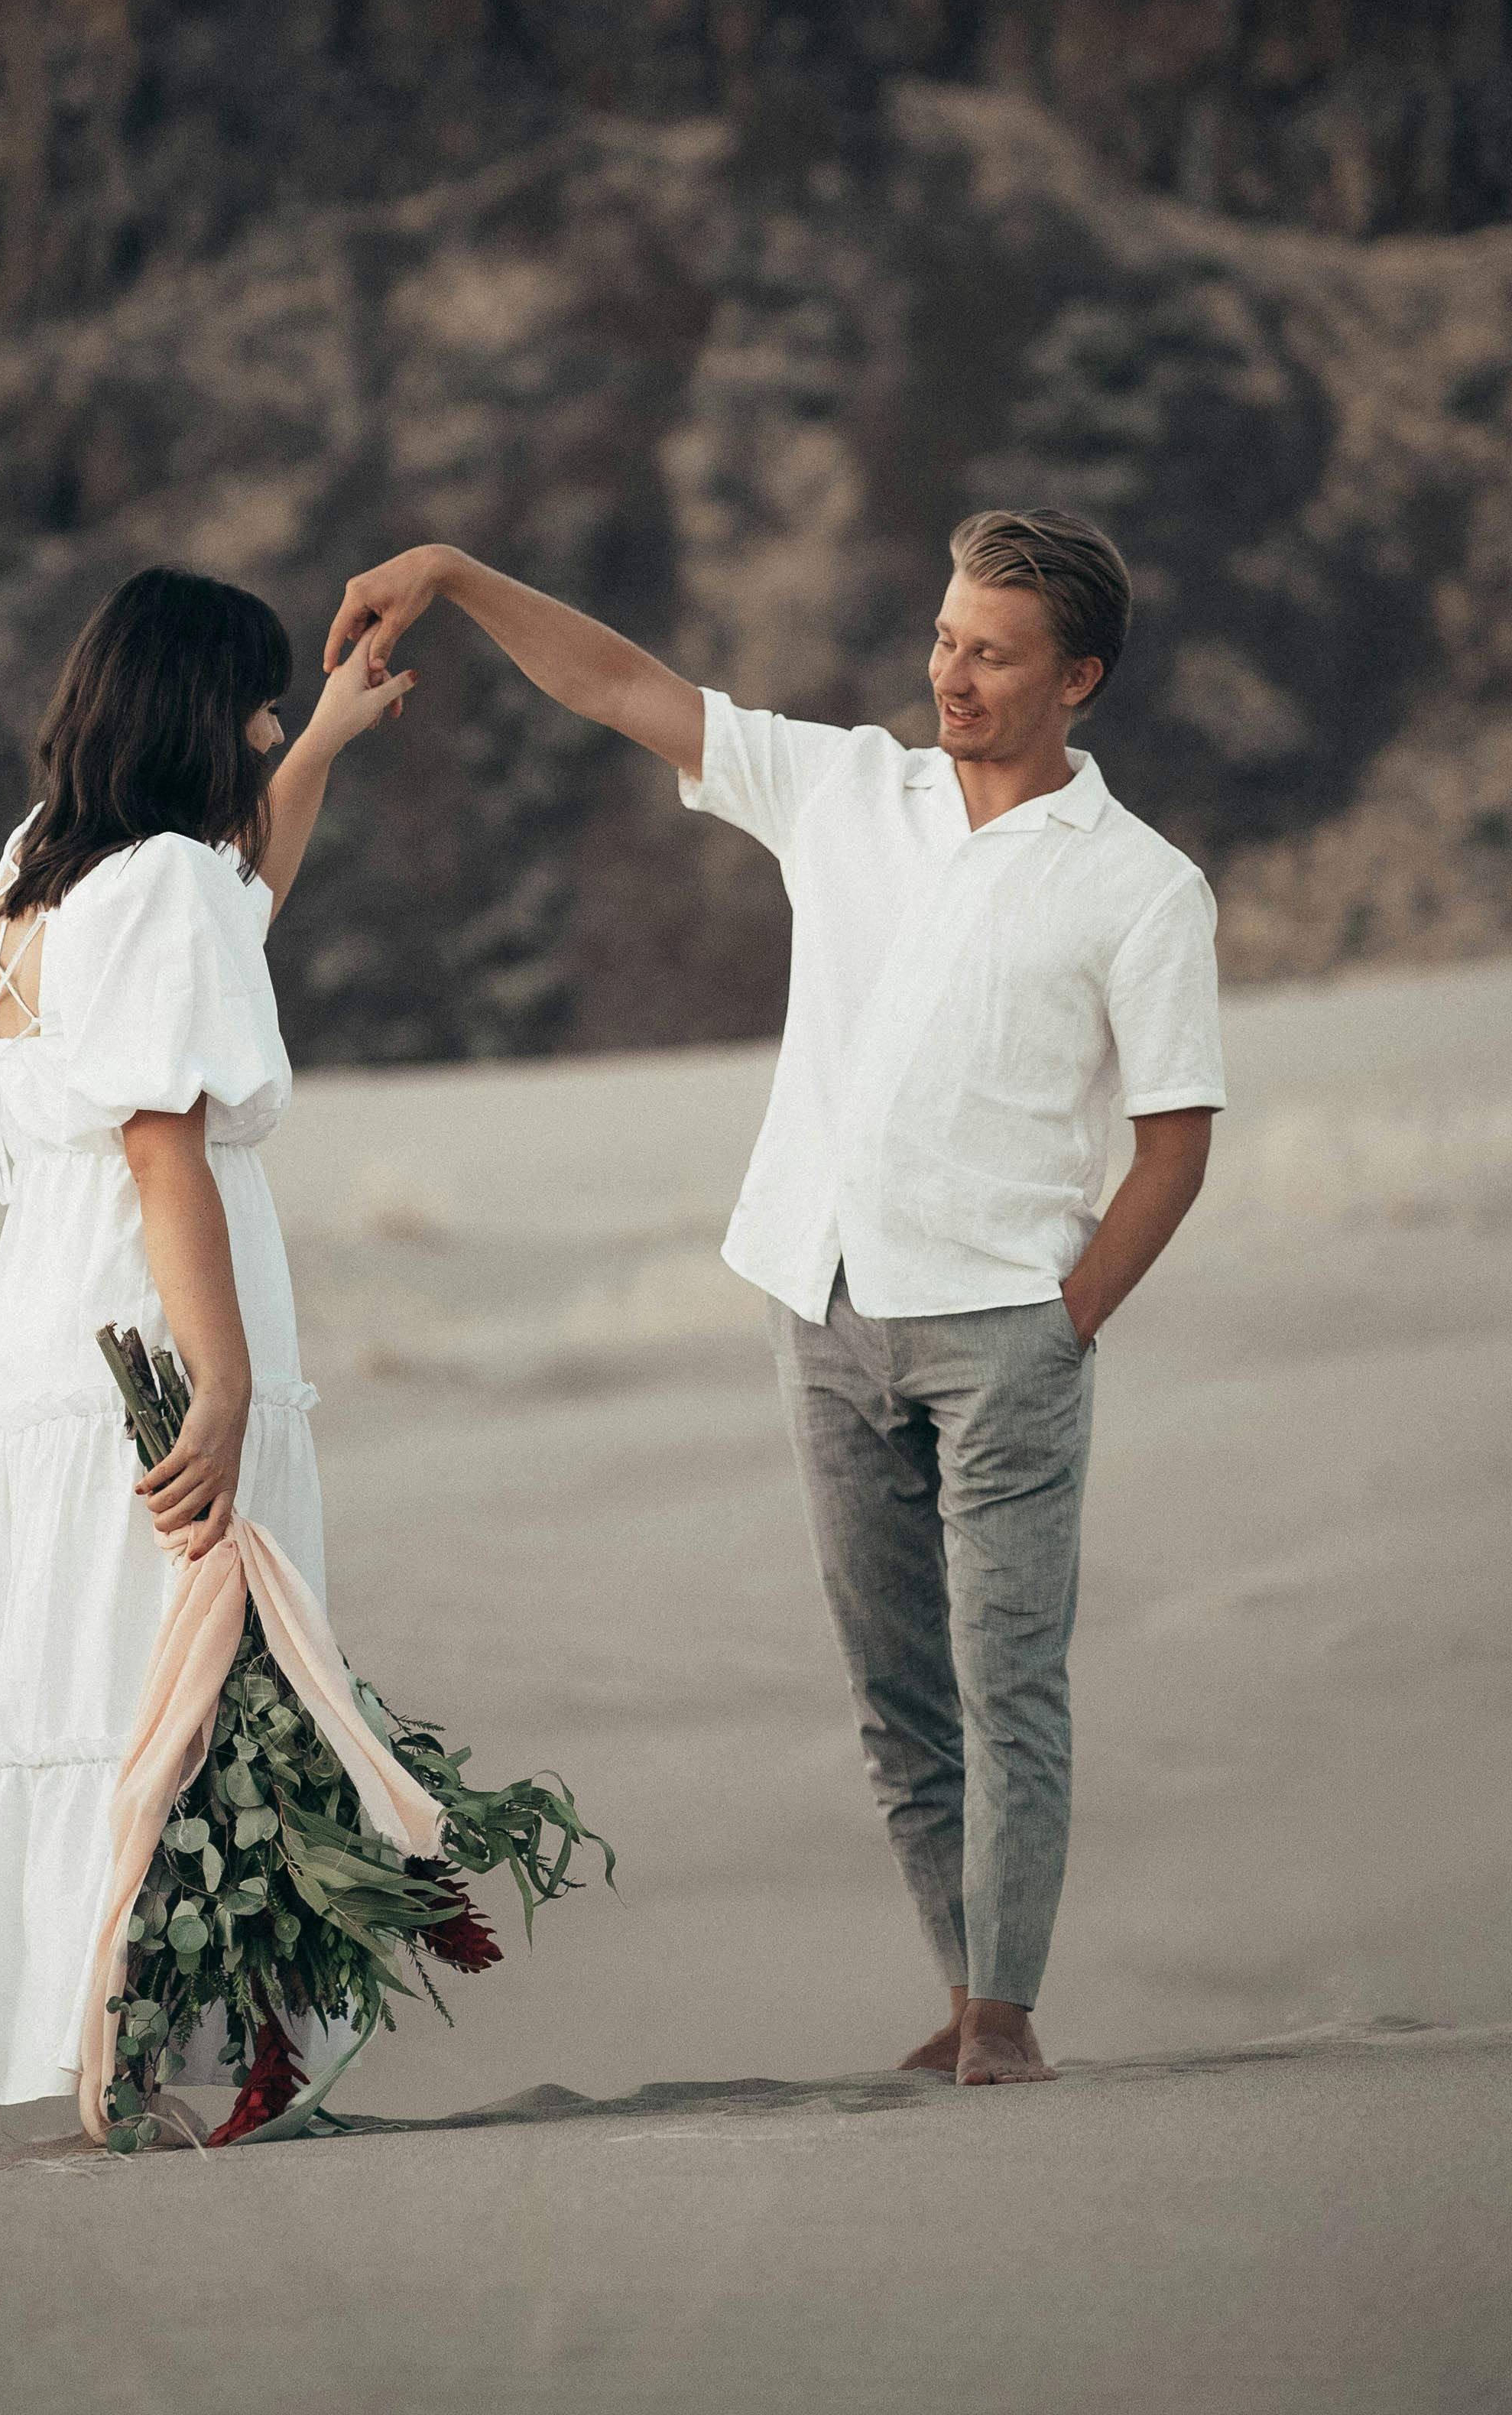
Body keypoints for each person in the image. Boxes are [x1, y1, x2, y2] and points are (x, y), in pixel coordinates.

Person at [323, 508, 1223, 2090]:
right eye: (945, 636)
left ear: (1079, 675)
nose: (951, 671)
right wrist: (458, 577)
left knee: (1008, 1680)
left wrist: (1062, 1321)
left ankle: (1005, 2013)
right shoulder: (846, 789)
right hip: (818, 1302)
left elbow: (1175, 1140)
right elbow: (619, 686)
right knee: (897, 1696)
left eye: (992, 652)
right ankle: (963, 1995)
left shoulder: (1143, 888)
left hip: (1004, 1329)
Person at [0, 566, 413, 2163]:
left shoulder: (46, 864)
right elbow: (169, 1140)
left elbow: (232, 908)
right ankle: (134, 2055)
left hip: (49, 1329)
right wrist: (217, 1382)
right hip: (158, 1323)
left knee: (42, 1674)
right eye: (264, 703)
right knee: (176, 1684)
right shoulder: (163, 886)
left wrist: (328, 750)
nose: (275, 725)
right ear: (195, 716)